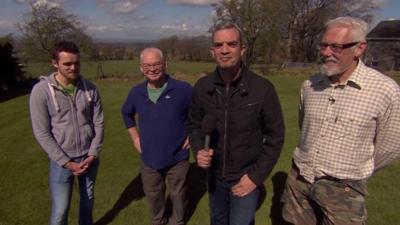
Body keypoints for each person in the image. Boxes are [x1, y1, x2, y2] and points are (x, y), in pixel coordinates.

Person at [281, 16, 400, 225]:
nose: (326, 52)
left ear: (359, 48)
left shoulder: (385, 90)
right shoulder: (310, 86)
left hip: (344, 190)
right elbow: (305, 127)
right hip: (300, 180)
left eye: (336, 47)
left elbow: (391, 145)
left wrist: (355, 169)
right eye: (324, 45)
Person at [186, 22, 285, 225]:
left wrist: (255, 177)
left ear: (242, 49)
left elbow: (276, 138)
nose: (224, 50)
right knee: (218, 221)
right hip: (214, 178)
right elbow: (193, 126)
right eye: (219, 45)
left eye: (231, 44)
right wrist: (198, 151)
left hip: (245, 177)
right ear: (212, 51)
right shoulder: (202, 87)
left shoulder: (262, 89)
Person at [29, 41, 104, 225]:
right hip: (61, 162)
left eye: (76, 63)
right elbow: (42, 132)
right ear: (55, 63)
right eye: (67, 64)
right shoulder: (41, 91)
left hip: (88, 159)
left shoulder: (90, 89)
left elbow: (99, 122)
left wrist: (93, 153)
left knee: (87, 205)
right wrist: (66, 162)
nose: (73, 67)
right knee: (60, 211)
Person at [121, 47, 192, 225]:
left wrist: (192, 134)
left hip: (178, 156)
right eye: (147, 65)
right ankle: (158, 221)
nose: (152, 69)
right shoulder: (136, 92)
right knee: (153, 195)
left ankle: (177, 221)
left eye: (156, 64)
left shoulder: (183, 89)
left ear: (165, 65)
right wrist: (135, 138)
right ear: (141, 68)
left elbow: (199, 113)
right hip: (149, 158)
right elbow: (126, 113)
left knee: (178, 194)